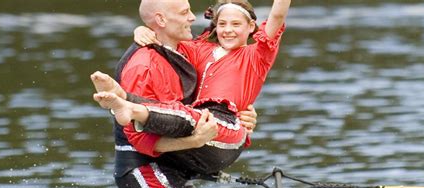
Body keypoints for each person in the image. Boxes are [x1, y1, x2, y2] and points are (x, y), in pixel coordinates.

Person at [97, 0, 258, 188]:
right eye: (185, 13)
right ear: (161, 20)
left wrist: (244, 112)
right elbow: (139, 140)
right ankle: (128, 103)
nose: (193, 18)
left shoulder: (184, 49)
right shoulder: (143, 65)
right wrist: (196, 140)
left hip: (172, 165)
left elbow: (215, 88)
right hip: (143, 168)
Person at [92, 0, 291, 177]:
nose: (228, 30)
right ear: (215, 26)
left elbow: (277, 15)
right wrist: (143, 30)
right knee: (180, 112)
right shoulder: (199, 49)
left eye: (236, 24)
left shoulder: (256, 56)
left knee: (194, 116)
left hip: (229, 126)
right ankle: (125, 98)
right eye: (222, 24)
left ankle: (130, 107)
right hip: (198, 119)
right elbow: (165, 39)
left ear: (251, 27)